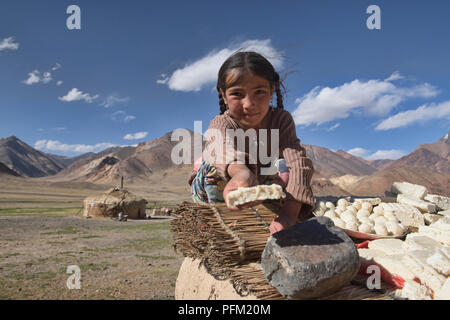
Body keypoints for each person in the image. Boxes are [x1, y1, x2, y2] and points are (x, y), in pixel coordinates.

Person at [188, 51, 315, 235]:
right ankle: (214, 225)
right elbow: (221, 149)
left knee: (295, 174)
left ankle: (268, 217)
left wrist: (289, 214)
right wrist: (240, 173)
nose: (249, 104)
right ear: (223, 95)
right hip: (226, 182)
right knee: (211, 167)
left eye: (259, 92)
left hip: (260, 179)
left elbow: (298, 162)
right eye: (237, 94)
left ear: (272, 91)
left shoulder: (281, 120)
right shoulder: (222, 123)